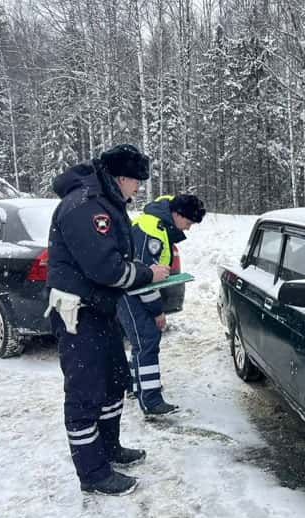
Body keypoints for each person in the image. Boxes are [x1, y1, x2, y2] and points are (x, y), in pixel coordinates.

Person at [47, 143, 171, 496]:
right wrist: (149, 274)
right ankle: (93, 472)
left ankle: (109, 448)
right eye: (136, 183)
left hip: (100, 310)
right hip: (77, 313)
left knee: (114, 381)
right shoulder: (85, 206)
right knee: (86, 392)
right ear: (121, 178)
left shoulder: (105, 201)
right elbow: (106, 268)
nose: (138, 190)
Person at [117, 193, 206, 416]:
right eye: (188, 223)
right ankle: (151, 401)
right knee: (147, 339)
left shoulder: (157, 223)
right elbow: (144, 281)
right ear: (176, 214)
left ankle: (135, 386)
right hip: (129, 292)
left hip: (128, 289)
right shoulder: (152, 233)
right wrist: (158, 312)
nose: (188, 229)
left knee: (141, 340)